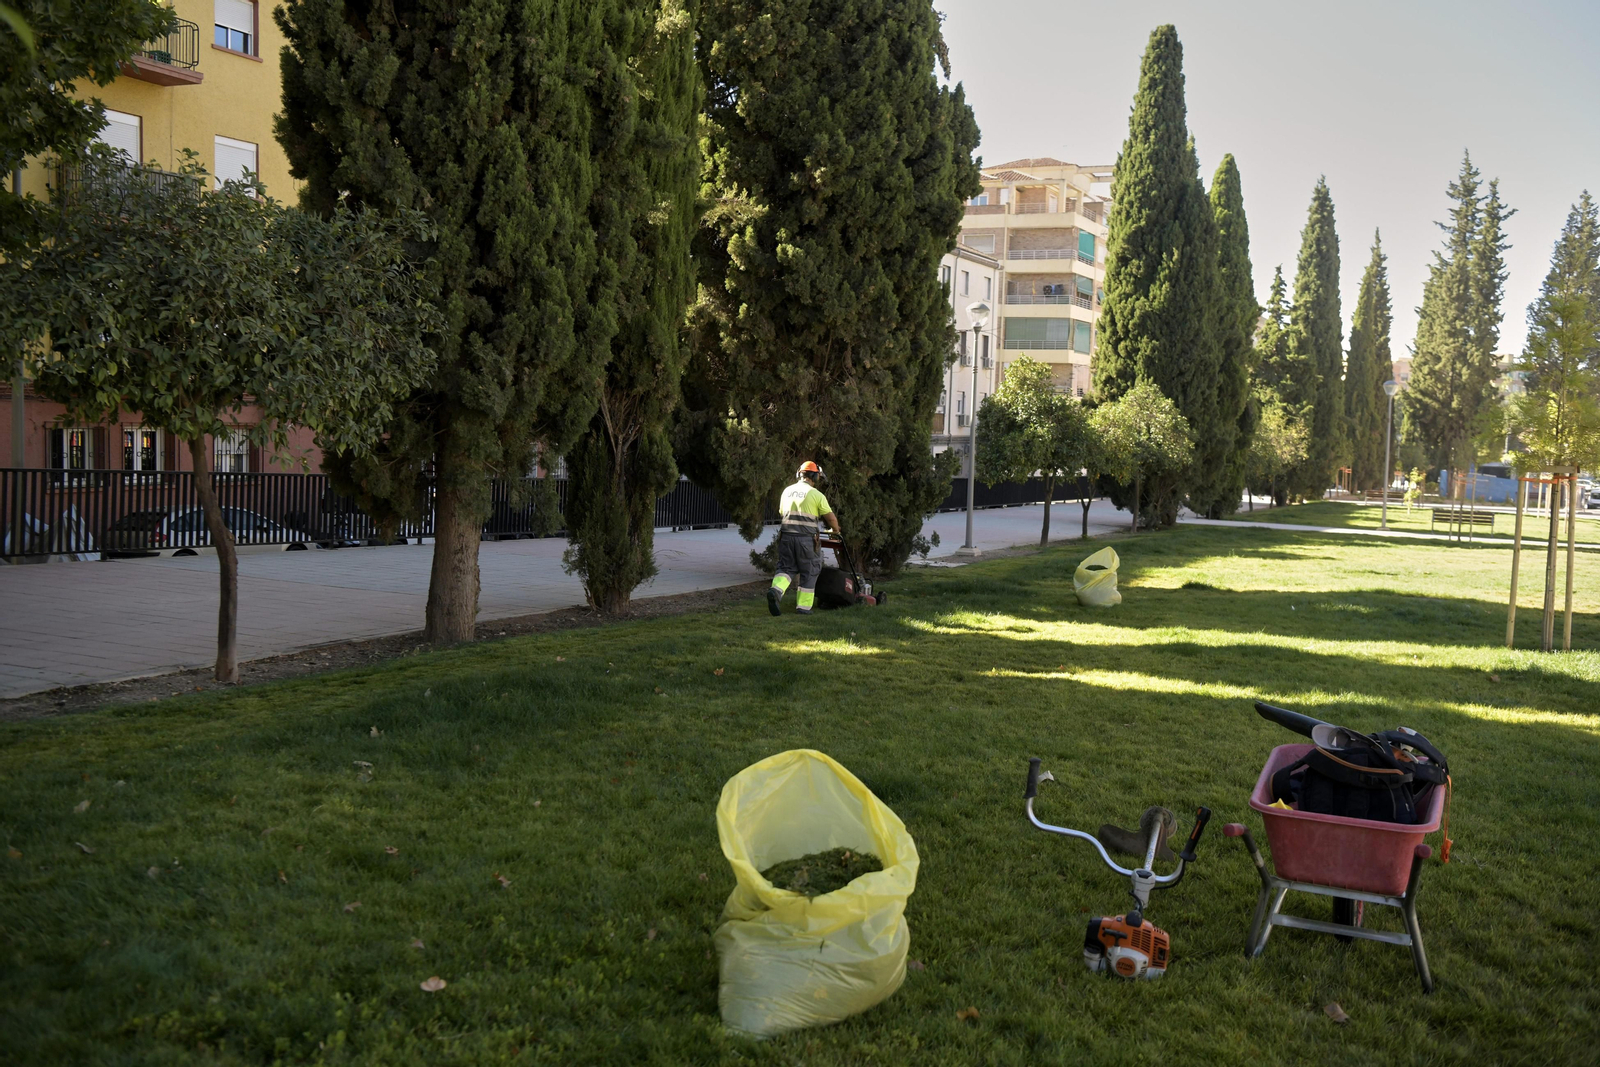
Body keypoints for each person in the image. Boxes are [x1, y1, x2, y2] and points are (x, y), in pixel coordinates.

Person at [768, 461, 842, 616]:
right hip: (806, 540)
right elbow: (831, 517)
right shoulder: (816, 495)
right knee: (810, 570)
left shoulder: (787, 491)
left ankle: (775, 591)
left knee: (786, 568)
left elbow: (783, 512)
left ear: (799, 474)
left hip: (786, 537)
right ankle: (803, 607)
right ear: (814, 476)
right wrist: (835, 530)